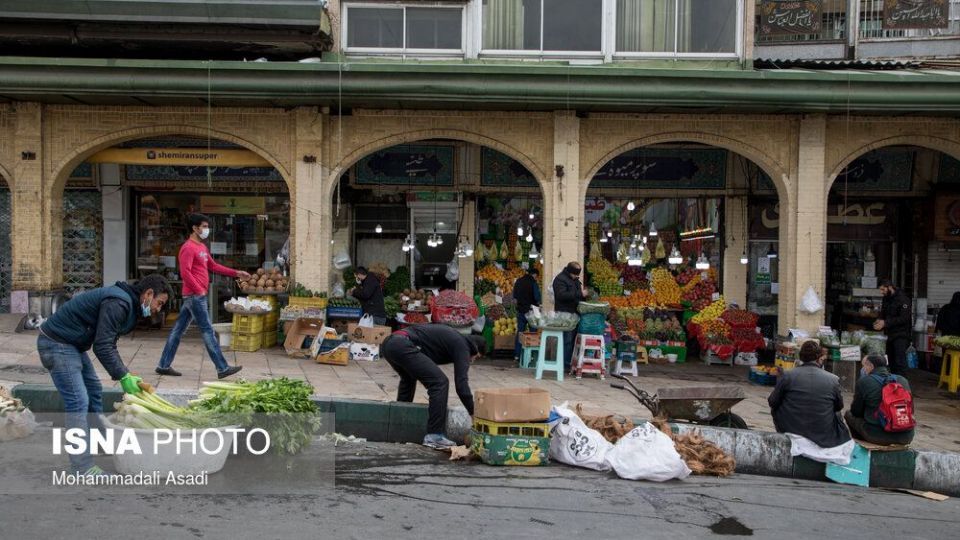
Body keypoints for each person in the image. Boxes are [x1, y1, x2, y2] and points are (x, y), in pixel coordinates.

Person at [38, 275, 171, 475]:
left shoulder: (126, 303)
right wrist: (124, 376)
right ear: (149, 294)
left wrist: (124, 373)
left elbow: (107, 342)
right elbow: (103, 346)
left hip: (71, 345)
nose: (157, 309)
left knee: (94, 391)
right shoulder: (119, 302)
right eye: (159, 303)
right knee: (78, 401)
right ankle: (82, 467)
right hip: (57, 344)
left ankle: (100, 443)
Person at [156, 213, 248, 378]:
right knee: (207, 330)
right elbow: (185, 273)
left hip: (194, 296)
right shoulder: (188, 248)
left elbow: (213, 266)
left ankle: (163, 365)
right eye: (204, 226)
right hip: (194, 296)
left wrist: (236, 273)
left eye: (207, 226)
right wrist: (199, 290)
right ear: (194, 228)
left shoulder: (202, 247)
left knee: (177, 331)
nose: (207, 229)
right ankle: (222, 367)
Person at [380, 324, 486, 448]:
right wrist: (473, 412)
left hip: (390, 343)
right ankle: (434, 436)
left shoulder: (454, 340)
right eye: (476, 357)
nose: (472, 360)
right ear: (475, 349)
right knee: (440, 383)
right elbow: (461, 385)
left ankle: (399, 427)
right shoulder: (463, 346)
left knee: (408, 378)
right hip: (402, 343)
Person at [767, 341, 851, 449]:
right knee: (836, 412)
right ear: (819, 358)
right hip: (822, 433)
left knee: (776, 405)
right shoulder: (833, 379)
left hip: (791, 429)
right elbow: (839, 406)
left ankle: (786, 435)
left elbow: (772, 401)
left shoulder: (788, 375)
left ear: (801, 357)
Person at [845, 354, 915, 446]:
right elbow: (911, 410)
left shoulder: (865, 381)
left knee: (849, 414)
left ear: (871, 366)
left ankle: (862, 444)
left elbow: (856, 412)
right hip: (906, 436)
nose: (863, 369)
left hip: (877, 435)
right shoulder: (902, 380)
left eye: (864, 366)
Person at [552, 261, 586, 371]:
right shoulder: (560, 279)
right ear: (570, 271)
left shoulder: (575, 280)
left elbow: (577, 293)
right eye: (576, 274)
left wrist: (583, 295)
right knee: (566, 340)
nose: (577, 276)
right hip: (564, 315)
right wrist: (580, 294)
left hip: (574, 314)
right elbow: (561, 295)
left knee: (572, 340)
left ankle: (569, 363)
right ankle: (564, 365)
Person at [874, 279, 912, 375]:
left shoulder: (903, 299)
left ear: (890, 287)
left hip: (901, 335)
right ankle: (893, 383)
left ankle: (902, 385)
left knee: (900, 362)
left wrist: (885, 322)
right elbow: (883, 313)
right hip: (889, 334)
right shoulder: (886, 298)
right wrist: (879, 320)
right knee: (890, 361)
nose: (882, 292)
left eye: (883, 290)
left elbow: (904, 318)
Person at [512, 268, 542, 361]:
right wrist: (539, 303)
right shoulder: (533, 283)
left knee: (520, 333)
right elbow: (537, 297)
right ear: (535, 275)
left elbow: (514, 297)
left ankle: (517, 355)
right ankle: (531, 356)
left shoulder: (518, 281)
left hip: (521, 311)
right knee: (533, 333)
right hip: (531, 311)